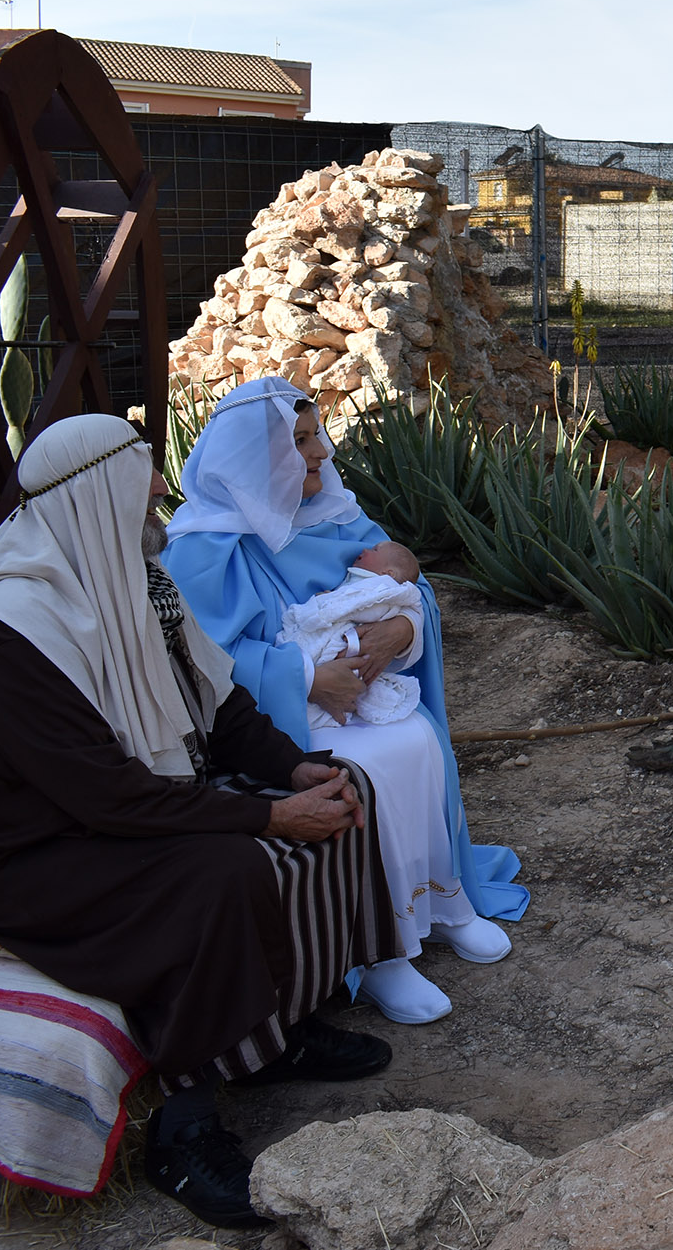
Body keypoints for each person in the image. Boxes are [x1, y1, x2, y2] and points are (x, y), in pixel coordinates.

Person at [0, 414, 399, 1229]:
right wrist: (267, 815)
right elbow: (104, 796)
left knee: (344, 788)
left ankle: (275, 1033)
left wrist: (292, 770)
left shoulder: (137, 582)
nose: (157, 500)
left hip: (129, 802)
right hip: (23, 851)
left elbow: (220, 702)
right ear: (92, 500)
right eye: (140, 489)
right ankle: (184, 1128)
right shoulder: (3, 633)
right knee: (221, 873)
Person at [163, 377, 525, 1029]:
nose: (321, 453)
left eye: (317, 436)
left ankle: (444, 903)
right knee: (371, 765)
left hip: (361, 694)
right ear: (254, 459)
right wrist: (306, 676)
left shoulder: (336, 513)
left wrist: (402, 629)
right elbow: (207, 656)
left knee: (416, 739)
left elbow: (406, 584)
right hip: (279, 722)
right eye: (300, 441)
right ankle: (381, 951)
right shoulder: (200, 547)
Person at [279, 541, 427, 731]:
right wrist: (309, 679)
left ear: (388, 574)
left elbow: (408, 594)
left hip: (340, 645)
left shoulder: (381, 584)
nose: (364, 549)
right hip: (290, 671)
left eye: (374, 550)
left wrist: (405, 625)